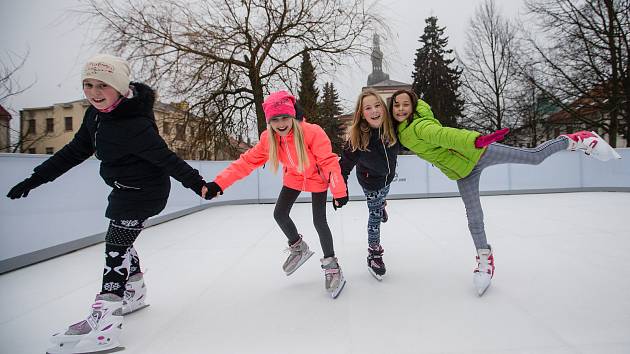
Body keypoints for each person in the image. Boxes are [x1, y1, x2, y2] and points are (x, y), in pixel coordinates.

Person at [6, 54, 210, 353]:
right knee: (121, 241)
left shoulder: (135, 124)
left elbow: (166, 158)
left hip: (144, 193)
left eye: (102, 85)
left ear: (119, 86)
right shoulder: (96, 115)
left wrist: (199, 184)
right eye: (88, 84)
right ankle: (135, 290)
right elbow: (74, 151)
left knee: (115, 248)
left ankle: (105, 324)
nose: (94, 92)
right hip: (122, 189)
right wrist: (35, 179)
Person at [389, 89, 621, 296]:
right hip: (462, 172)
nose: (400, 108)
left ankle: (577, 139)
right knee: (474, 219)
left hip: (478, 153)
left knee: (534, 157)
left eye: (405, 104)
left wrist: (475, 140)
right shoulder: (403, 131)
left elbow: (445, 135)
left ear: (413, 106)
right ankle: (484, 259)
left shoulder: (419, 126)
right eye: (397, 105)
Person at [204, 90, 348, 298]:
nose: (281, 124)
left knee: (319, 222)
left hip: (317, 179)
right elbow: (246, 162)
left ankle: (332, 266)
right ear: (269, 122)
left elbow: (328, 162)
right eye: (275, 119)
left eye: (284, 118)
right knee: (279, 214)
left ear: (292, 116)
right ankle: (299, 248)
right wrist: (219, 183)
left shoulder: (312, 132)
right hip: (294, 178)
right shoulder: (268, 139)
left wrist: (339, 190)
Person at [339, 89, 399, 280]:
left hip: (388, 178)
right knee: (374, 215)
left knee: (382, 198)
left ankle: (381, 205)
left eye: (377, 106)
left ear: (383, 108)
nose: (374, 111)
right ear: (362, 113)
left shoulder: (393, 130)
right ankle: (374, 253)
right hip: (370, 182)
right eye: (368, 108)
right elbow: (344, 167)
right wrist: (342, 191)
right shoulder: (358, 138)